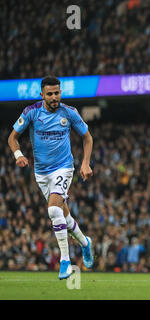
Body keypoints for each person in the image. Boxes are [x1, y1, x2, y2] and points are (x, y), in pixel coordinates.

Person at [7, 76, 95, 280]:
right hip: (41, 173)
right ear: (42, 95)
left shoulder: (70, 112)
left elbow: (87, 137)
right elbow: (12, 137)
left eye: (57, 93)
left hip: (63, 168)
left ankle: (65, 261)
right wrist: (18, 155)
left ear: (60, 92)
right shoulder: (31, 112)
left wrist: (85, 163)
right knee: (63, 216)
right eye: (50, 94)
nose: (54, 97)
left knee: (54, 209)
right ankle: (85, 243)